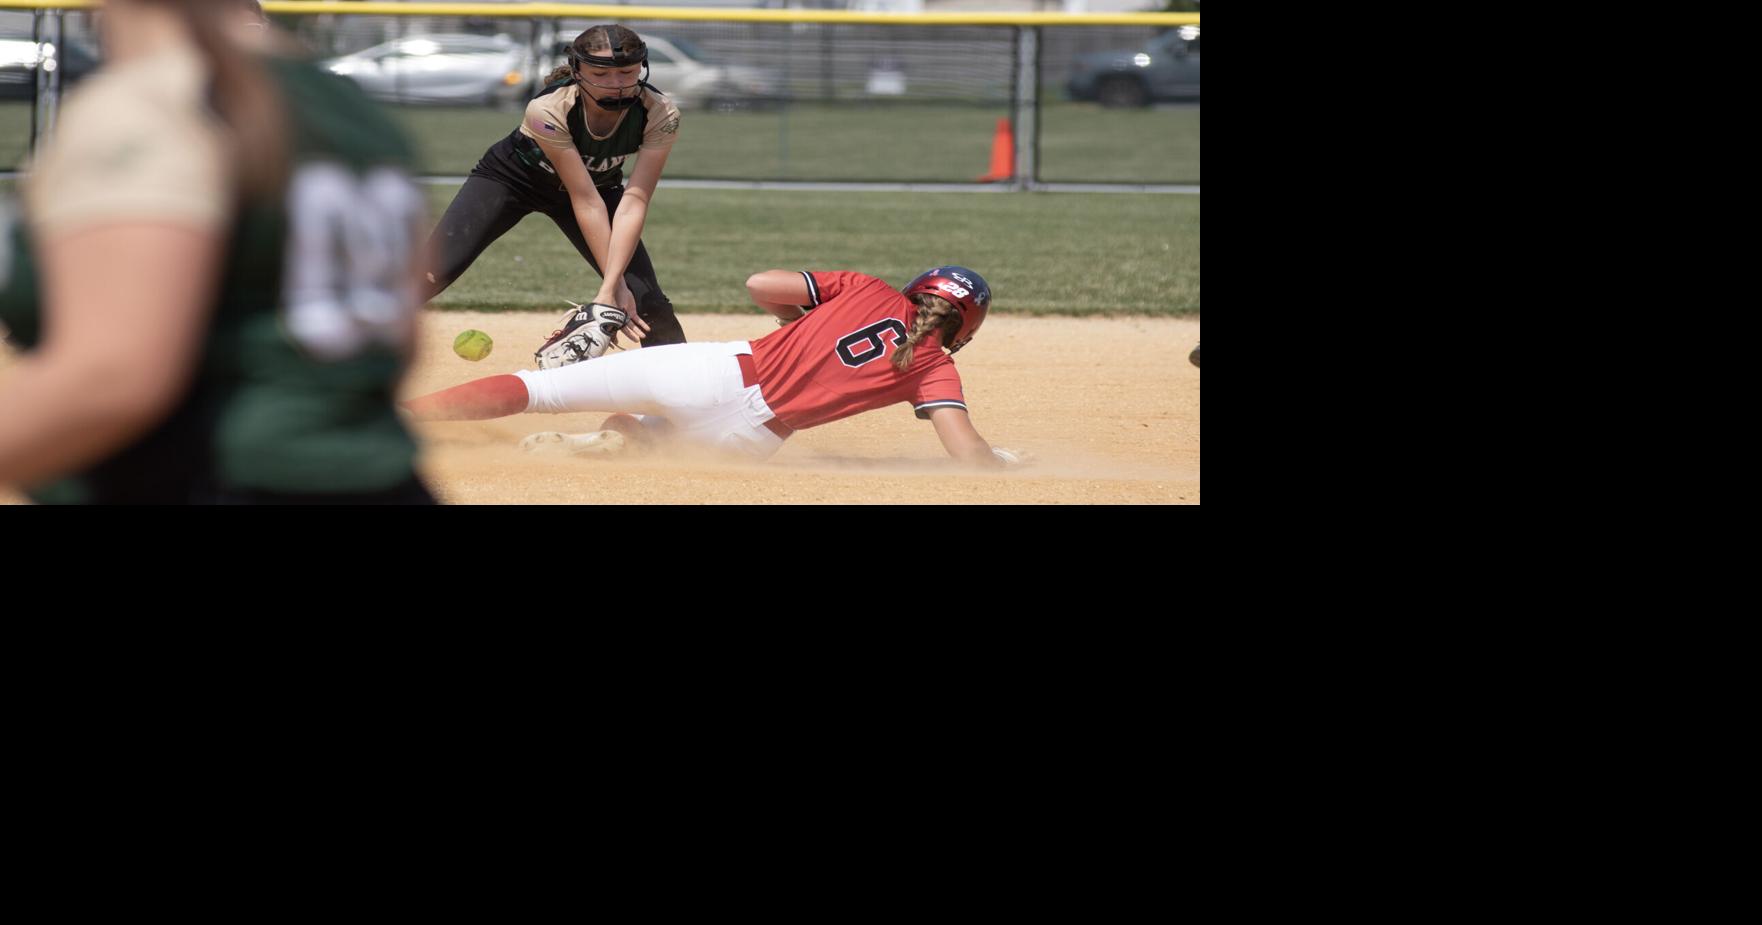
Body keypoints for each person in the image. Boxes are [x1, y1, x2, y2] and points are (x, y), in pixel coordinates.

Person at [0, 0, 434, 503]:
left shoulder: (162, 99)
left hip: (215, 480)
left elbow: (111, 377)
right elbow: (401, 341)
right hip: (378, 480)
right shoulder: (349, 110)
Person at [401, 265, 1027, 467]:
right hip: (749, 439)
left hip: (715, 372)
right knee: (650, 432)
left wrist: (796, 321)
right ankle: (616, 440)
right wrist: (1000, 464)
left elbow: (760, 282)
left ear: (918, 289)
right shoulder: (934, 367)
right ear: (964, 324)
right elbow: (966, 455)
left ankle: (395, 420)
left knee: (536, 390)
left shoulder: (865, 288)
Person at [420, 23, 687, 367]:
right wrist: (613, 288)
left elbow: (634, 200)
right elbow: (583, 199)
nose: (617, 84)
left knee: (646, 300)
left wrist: (614, 289)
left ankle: (686, 398)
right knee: (431, 273)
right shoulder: (548, 110)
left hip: (601, 187)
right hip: (512, 179)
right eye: (600, 73)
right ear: (577, 71)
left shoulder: (660, 113)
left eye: (627, 72)